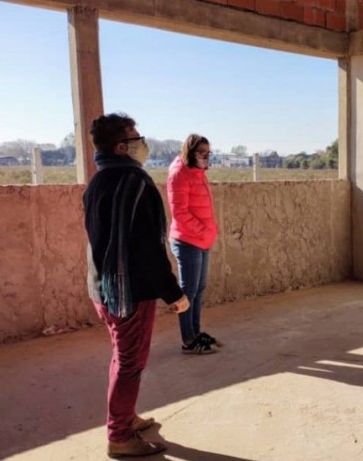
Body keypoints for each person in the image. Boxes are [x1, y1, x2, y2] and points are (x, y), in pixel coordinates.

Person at [84, 113, 189, 458]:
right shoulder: (135, 183)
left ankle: (125, 416)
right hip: (129, 292)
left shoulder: (98, 181)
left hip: (103, 288)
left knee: (122, 356)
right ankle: (119, 436)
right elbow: (147, 248)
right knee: (130, 363)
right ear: (120, 147)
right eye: (135, 138)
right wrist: (173, 293)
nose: (142, 143)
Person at [167, 134, 221, 354]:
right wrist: (203, 230)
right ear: (190, 152)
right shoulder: (179, 174)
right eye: (201, 152)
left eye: (208, 153)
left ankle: (196, 332)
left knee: (198, 289)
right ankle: (188, 339)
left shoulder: (198, 173)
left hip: (202, 239)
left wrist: (208, 231)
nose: (206, 157)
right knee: (187, 292)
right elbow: (180, 213)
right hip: (187, 240)